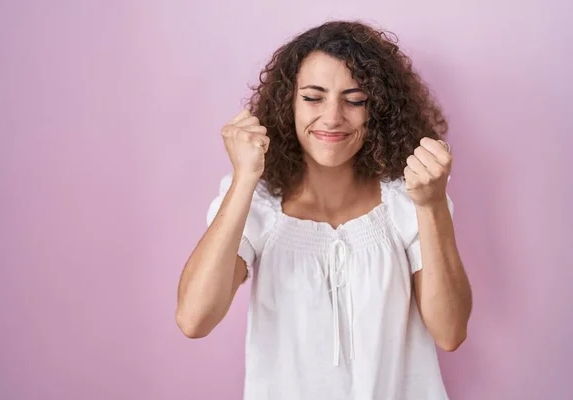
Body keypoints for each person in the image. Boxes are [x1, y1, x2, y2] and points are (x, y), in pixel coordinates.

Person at [176, 20, 472, 400]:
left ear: (378, 108)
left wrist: (431, 206)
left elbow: (450, 332)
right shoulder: (258, 203)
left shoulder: (409, 197)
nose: (332, 117)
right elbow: (193, 319)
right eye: (313, 97)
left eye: (354, 99)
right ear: (289, 103)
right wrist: (245, 178)